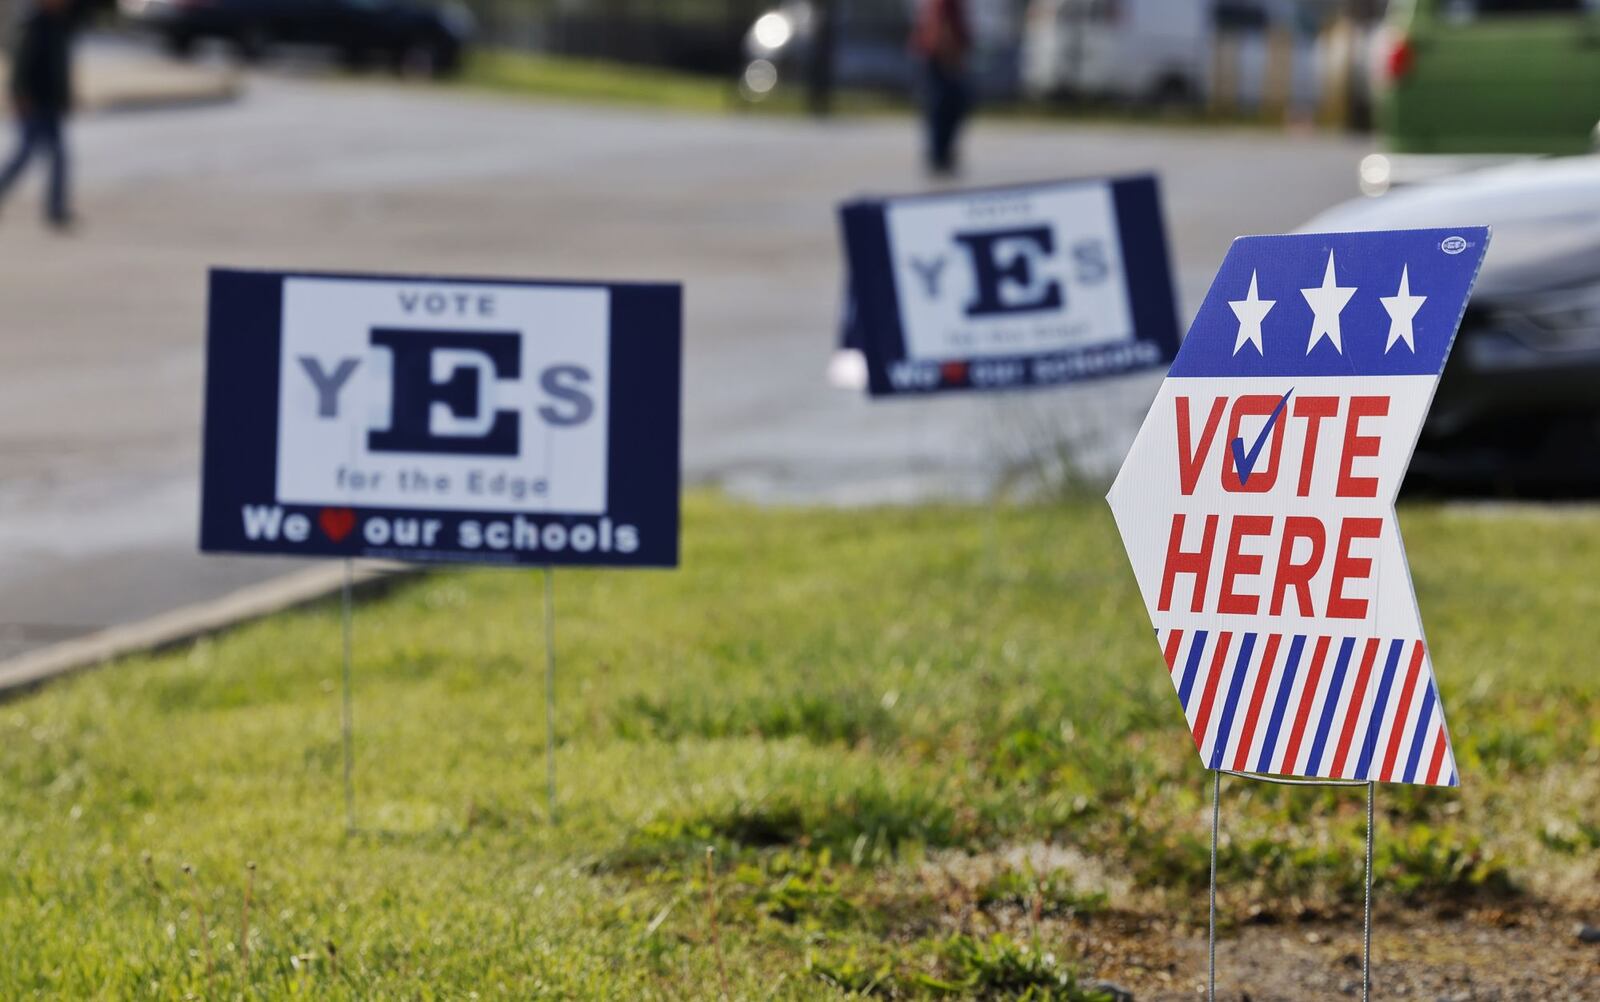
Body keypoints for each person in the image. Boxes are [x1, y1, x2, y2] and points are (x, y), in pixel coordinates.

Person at [0, 0, 77, 230]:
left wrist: (64, 98)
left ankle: (56, 209)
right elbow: (20, 66)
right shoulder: (34, 25)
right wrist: (20, 96)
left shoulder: (59, 24)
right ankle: (55, 209)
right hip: (34, 104)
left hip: (51, 103)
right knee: (24, 155)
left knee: (58, 157)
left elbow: (60, 67)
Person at [909, 0, 971, 177]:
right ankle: (939, 156)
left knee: (944, 105)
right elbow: (941, 24)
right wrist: (951, 55)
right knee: (944, 106)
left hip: (938, 54)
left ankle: (941, 155)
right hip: (941, 55)